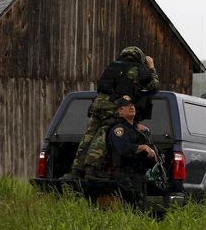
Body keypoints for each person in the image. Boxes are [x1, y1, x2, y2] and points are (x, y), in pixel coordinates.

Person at [67, 46, 159, 179]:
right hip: (112, 105)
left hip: (97, 103)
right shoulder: (138, 69)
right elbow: (154, 85)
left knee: (88, 136)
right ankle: (91, 170)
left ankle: (75, 171)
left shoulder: (113, 66)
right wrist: (151, 67)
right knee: (103, 134)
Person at [107, 95, 156, 177]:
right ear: (120, 111)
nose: (131, 107)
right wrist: (143, 147)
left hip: (138, 173)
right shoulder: (119, 128)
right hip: (126, 175)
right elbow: (123, 148)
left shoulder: (136, 128)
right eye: (127, 105)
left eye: (132, 105)